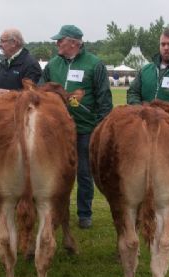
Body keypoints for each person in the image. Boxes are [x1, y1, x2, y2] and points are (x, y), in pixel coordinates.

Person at [42, 25, 113, 229]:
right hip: (56, 131)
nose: (56, 44)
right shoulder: (52, 65)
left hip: (84, 129)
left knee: (83, 172)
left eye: (60, 40)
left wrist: (99, 128)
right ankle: (55, 210)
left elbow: (104, 100)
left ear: (74, 42)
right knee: (55, 171)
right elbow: (40, 90)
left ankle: (84, 213)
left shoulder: (94, 64)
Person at [0, 28, 42, 99]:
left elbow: (32, 94)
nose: (0, 45)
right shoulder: (3, 64)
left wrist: (9, 93)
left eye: (3, 41)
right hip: (0, 108)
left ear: (14, 43)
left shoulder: (31, 65)